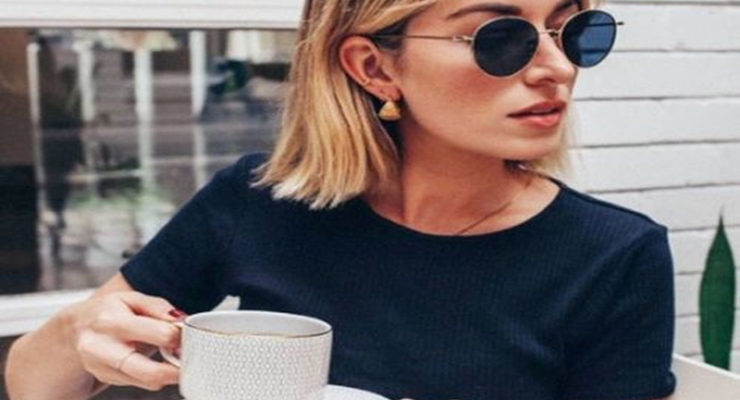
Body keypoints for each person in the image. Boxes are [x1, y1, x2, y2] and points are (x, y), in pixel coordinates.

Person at [5, 0, 677, 399]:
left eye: (572, 29)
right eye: (501, 37)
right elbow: (30, 385)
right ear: (374, 67)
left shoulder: (616, 255)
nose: (557, 67)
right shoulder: (256, 200)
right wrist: (78, 333)